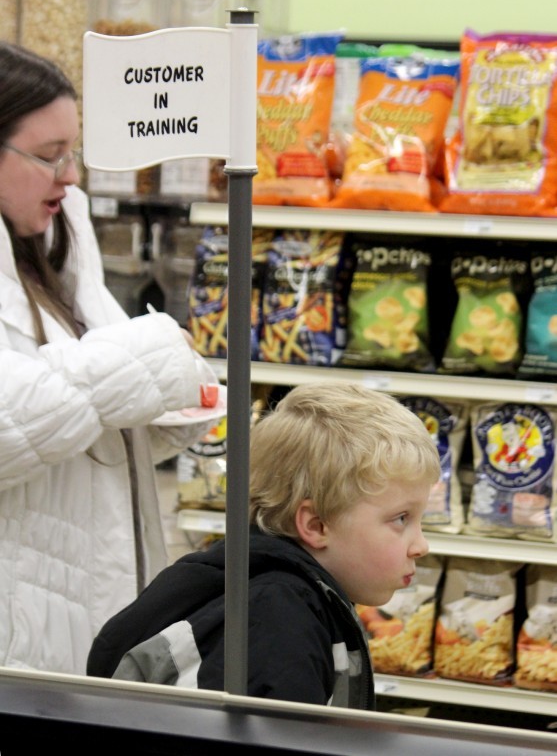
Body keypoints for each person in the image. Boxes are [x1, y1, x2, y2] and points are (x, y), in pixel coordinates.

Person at [0, 41, 222, 675]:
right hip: (21, 638)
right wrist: (148, 359)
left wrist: (166, 404)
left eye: (73, 153)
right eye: (48, 157)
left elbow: (81, 415)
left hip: (86, 605)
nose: (70, 176)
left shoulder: (55, 247)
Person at [87, 382, 441, 710]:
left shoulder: (273, 593)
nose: (421, 545)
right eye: (401, 519)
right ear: (316, 525)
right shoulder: (278, 624)